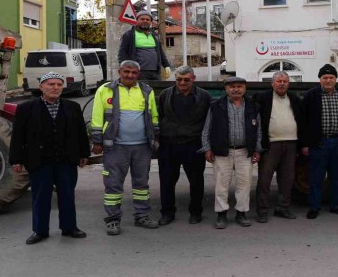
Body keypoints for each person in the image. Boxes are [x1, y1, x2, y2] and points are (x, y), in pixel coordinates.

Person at [9, 72, 90, 245]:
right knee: (41, 196)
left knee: (67, 195)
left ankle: (69, 227)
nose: (55, 88)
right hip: (39, 161)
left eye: (59, 85)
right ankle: (40, 230)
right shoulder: (26, 109)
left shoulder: (72, 107)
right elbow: (18, 136)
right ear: (41, 87)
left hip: (66, 160)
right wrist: (16, 159)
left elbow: (80, 132)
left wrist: (84, 154)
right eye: (51, 84)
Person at [92, 60, 161, 235]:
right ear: (119, 72)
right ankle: (112, 220)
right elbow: (97, 117)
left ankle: (141, 216)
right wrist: (97, 141)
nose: (130, 75)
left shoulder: (146, 90)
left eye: (134, 72)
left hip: (142, 146)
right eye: (126, 72)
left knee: (141, 184)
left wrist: (155, 138)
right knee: (113, 185)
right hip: (115, 147)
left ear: (138, 74)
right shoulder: (105, 90)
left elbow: (153, 116)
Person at [201, 76, 263, 229]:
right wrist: (207, 148)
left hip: (244, 151)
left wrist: (257, 149)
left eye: (239, 86)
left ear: (244, 88)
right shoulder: (216, 106)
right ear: (226, 89)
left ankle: (241, 213)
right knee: (221, 185)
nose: (236, 89)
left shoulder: (253, 106)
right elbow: (206, 129)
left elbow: (259, 130)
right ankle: (221, 214)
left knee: (244, 184)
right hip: (222, 151)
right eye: (232, 87)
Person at [157, 66, 212, 226]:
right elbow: (159, 116)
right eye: (179, 79)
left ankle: (195, 212)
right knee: (166, 181)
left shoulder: (204, 96)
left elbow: (209, 121)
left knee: (196, 181)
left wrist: (208, 144)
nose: (182, 83)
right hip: (169, 145)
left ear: (193, 79)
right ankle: (167, 213)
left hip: (193, 144)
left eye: (186, 80)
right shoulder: (166, 94)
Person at [300, 63, 338, 219]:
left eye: (331, 77)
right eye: (325, 77)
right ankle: (314, 207)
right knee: (316, 177)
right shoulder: (311, 95)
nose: (328, 80)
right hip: (319, 142)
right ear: (320, 79)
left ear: (336, 79)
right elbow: (303, 121)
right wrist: (305, 144)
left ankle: (337, 205)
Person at [252, 71, 301, 223]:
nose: (282, 84)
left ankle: (283, 208)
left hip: (291, 144)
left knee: (287, 179)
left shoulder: (294, 98)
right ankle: (262, 210)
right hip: (270, 145)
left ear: (288, 84)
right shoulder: (262, 97)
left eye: (285, 81)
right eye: (279, 81)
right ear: (272, 83)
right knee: (264, 180)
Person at [117, 10, 171, 81]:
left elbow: (160, 52)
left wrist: (166, 65)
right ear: (137, 20)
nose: (145, 21)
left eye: (147, 20)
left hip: (155, 72)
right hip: (138, 72)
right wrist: (123, 68)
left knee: (156, 88)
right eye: (142, 19)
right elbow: (122, 52)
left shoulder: (154, 35)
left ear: (150, 22)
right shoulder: (129, 34)